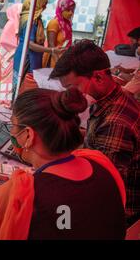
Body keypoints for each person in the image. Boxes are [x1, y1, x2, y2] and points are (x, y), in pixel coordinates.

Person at [0, 88, 126, 239]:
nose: (12, 132)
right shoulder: (100, 162)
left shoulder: (22, 191)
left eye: (13, 126)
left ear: (28, 135)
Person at [50, 39, 139, 226]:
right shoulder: (111, 98)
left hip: (119, 218)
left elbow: (101, 191)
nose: (71, 96)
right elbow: (95, 142)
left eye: (72, 88)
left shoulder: (116, 123)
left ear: (98, 78)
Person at [12, 0, 55, 95]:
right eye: (44, 4)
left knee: (25, 85)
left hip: (29, 55)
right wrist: (51, 50)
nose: (45, 7)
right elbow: (30, 44)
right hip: (27, 56)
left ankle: (20, 107)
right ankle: (19, 108)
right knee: (25, 85)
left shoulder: (34, 19)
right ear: (37, 4)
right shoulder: (30, 21)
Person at [0, 3, 22, 108]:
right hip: (8, 55)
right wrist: (14, 51)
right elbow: (4, 42)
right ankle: (5, 101)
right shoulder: (12, 24)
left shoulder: (16, 23)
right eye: (20, 13)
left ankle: (9, 100)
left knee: (12, 78)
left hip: (12, 54)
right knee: (7, 78)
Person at [43, 0, 76, 68]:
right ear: (61, 9)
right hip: (54, 59)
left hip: (64, 59)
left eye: (72, 10)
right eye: (67, 10)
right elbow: (51, 45)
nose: (71, 13)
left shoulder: (67, 24)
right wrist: (58, 63)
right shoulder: (54, 23)